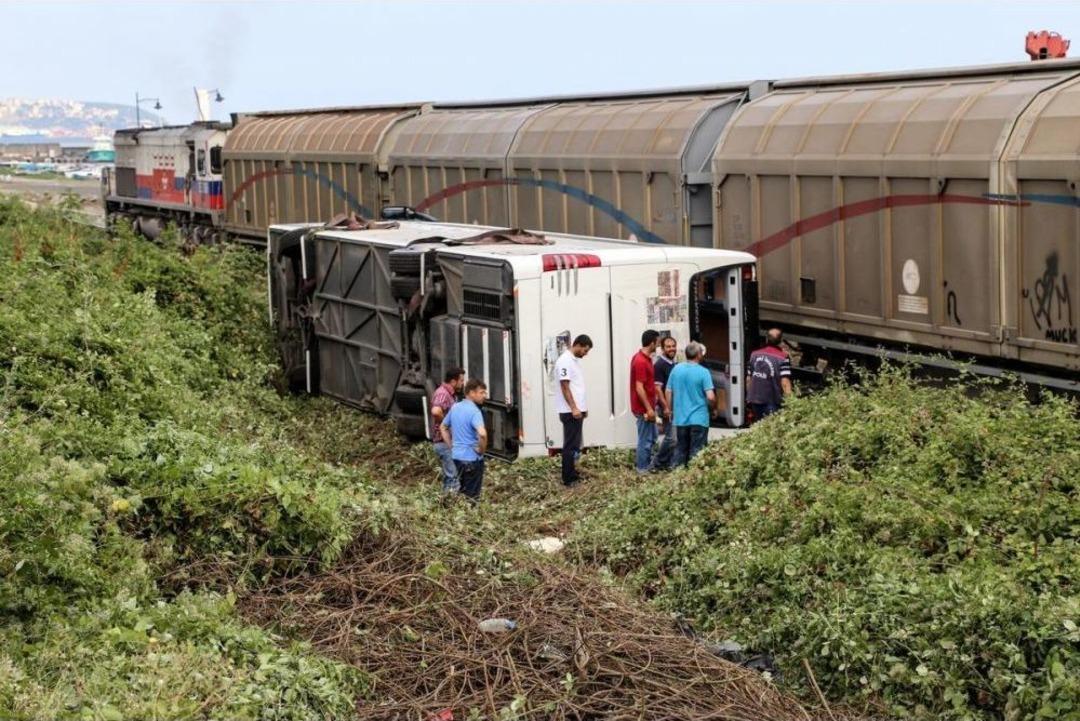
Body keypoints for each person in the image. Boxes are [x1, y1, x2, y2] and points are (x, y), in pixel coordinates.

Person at [666, 342, 715, 467]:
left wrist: (669, 410)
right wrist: (713, 408)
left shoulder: (676, 369)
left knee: (681, 449)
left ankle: (676, 476)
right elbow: (710, 396)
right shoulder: (704, 372)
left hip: (681, 419)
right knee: (697, 452)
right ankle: (693, 479)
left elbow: (668, 391)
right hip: (699, 418)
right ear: (699, 355)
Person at [440, 379, 489, 501]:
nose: (485, 396)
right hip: (472, 459)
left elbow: (443, 427)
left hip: (457, 457)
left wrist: (451, 446)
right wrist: (481, 450)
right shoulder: (475, 411)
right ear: (472, 393)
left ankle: (458, 516)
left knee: (462, 491)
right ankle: (469, 517)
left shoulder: (455, 407)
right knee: (471, 497)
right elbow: (482, 434)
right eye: (482, 392)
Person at [554, 334, 592, 486]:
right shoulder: (565, 361)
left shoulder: (574, 361)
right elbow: (565, 386)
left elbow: (577, 387)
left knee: (575, 444)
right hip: (570, 411)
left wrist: (583, 408)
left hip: (577, 410)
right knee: (570, 446)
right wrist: (574, 408)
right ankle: (568, 478)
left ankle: (573, 473)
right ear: (578, 345)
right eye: (585, 350)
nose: (586, 353)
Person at [429, 367, 465, 493]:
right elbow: (436, 411)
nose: (462, 383)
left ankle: (445, 505)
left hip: (446, 442)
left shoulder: (449, 394)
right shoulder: (443, 393)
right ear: (453, 381)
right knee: (453, 477)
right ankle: (450, 507)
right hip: (444, 442)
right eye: (461, 380)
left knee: (450, 476)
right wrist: (446, 426)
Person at [746, 328, 793, 421]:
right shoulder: (783, 357)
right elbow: (785, 382)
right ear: (780, 341)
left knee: (758, 428)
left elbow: (748, 379)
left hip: (755, 400)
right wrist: (791, 402)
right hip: (773, 401)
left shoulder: (754, 355)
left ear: (766, 339)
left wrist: (749, 397)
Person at [630, 329, 660, 474]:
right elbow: (639, 387)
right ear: (652, 342)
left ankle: (647, 464)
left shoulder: (645, 358)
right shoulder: (641, 361)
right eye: (657, 342)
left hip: (648, 407)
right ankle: (642, 469)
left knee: (653, 437)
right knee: (645, 440)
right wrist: (648, 408)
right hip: (643, 409)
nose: (658, 345)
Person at [652, 335, 678, 471]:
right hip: (666, 406)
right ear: (662, 349)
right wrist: (666, 407)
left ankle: (668, 464)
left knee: (675, 437)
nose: (671, 349)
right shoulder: (660, 365)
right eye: (668, 347)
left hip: (675, 405)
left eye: (673, 346)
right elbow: (658, 389)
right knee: (672, 437)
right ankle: (656, 463)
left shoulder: (673, 363)